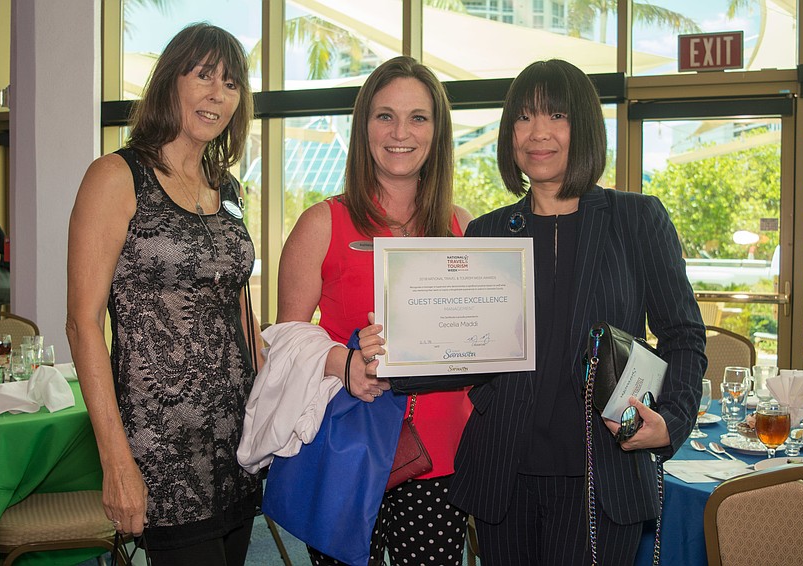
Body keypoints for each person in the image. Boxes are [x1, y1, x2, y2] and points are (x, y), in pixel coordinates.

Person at [448, 59, 707, 565]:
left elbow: (683, 334)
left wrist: (672, 420)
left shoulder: (637, 218)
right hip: (504, 474)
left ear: (584, 126)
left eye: (557, 116)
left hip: (603, 475)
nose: (538, 132)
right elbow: (468, 344)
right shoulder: (488, 232)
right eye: (523, 118)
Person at [66, 23, 262, 566]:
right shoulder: (116, 176)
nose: (217, 93)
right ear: (168, 83)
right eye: (203, 76)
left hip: (237, 443)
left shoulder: (228, 189)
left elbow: (239, 307)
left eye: (230, 83)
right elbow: (83, 324)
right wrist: (115, 460)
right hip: (160, 452)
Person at [275, 55, 473, 565]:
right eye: (385, 115)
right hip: (349, 445)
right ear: (364, 127)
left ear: (437, 131)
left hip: (441, 454)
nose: (400, 132)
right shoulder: (322, 223)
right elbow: (285, 341)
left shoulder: (465, 229)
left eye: (418, 117)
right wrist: (343, 364)